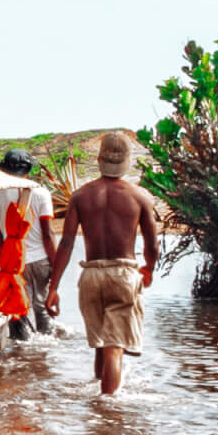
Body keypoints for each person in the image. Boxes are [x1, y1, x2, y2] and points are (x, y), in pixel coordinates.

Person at [45, 131, 159, 395]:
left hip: (91, 276)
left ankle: (98, 404)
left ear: (99, 159)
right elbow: (152, 245)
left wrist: (53, 287)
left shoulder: (81, 196)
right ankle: (108, 414)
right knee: (114, 347)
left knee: (100, 344)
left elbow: (66, 244)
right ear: (127, 160)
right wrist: (149, 269)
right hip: (123, 274)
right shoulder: (139, 197)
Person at [0, 150, 57, 338]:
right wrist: (56, 266)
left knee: (17, 309)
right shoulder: (41, 193)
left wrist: (4, 268)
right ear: (28, 170)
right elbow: (48, 235)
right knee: (41, 307)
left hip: (15, 263)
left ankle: (23, 350)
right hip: (41, 260)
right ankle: (45, 352)